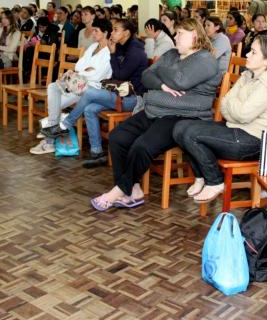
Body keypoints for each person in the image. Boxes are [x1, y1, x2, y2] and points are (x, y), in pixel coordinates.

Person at [91, 18, 220, 211]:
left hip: (183, 117)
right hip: (157, 110)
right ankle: (132, 189)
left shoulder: (206, 59)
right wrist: (162, 84)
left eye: (179, 34)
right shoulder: (171, 54)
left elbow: (181, 81)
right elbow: (146, 75)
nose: (175, 37)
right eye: (175, 33)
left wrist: (161, 74)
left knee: (142, 146)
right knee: (118, 136)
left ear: (194, 34)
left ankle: (119, 191)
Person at [174, 36, 267, 203]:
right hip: (235, 128)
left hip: (253, 141)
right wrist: (235, 107)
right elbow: (224, 102)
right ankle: (201, 176)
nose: (247, 55)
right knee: (180, 127)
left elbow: (242, 113)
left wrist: (233, 107)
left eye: (253, 52)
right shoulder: (249, 74)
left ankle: (215, 181)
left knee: (191, 134)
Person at [42, 18, 148, 167]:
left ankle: (64, 125)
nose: (113, 32)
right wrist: (113, 54)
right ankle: (97, 152)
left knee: (89, 93)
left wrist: (112, 54)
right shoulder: (121, 47)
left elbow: (120, 75)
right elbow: (116, 74)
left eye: (116, 29)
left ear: (126, 33)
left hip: (131, 99)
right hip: (117, 93)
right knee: (89, 108)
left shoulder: (135, 51)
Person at [30, 18, 113, 155]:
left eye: (96, 31)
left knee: (54, 105)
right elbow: (79, 65)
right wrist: (85, 71)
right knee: (53, 87)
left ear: (105, 33)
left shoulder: (108, 52)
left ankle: (49, 140)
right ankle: (52, 132)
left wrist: (84, 73)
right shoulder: (93, 47)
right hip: (79, 82)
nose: (93, 34)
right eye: (93, 30)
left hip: (92, 88)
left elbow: (97, 75)